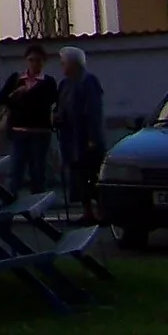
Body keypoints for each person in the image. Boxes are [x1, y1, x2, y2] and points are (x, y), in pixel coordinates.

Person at [0, 42, 58, 199]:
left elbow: (49, 102)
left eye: (38, 60)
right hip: (19, 132)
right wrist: (15, 94)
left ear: (44, 62)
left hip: (40, 132)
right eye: (31, 60)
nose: (34, 64)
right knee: (15, 171)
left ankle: (38, 207)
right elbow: (0, 98)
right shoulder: (17, 79)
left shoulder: (48, 82)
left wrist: (31, 96)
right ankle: (7, 206)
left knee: (38, 172)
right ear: (26, 61)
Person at [54, 45, 107, 222]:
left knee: (92, 175)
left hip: (85, 138)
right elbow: (60, 107)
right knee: (78, 177)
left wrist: (92, 138)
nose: (61, 66)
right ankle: (87, 212)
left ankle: (101, 212)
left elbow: (93, 111)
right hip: (70, 138)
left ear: (73, 63)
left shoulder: (88, 81)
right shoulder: (65, 83)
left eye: (63, 62)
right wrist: (57, 118)